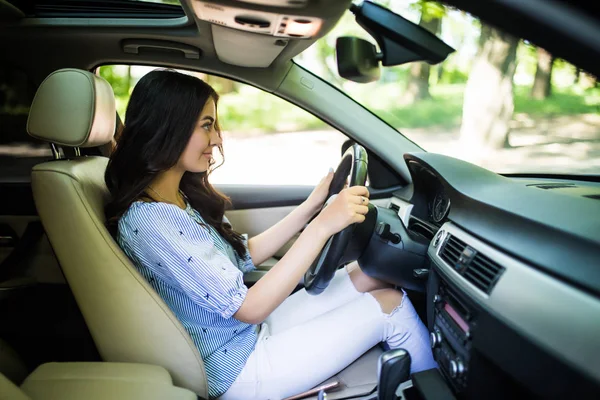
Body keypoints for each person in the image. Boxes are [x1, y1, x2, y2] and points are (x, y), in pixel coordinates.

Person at [105, 69, 436, 400]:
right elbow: (249, 307)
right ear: (169, 126)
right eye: (207, 125)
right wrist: (322, 227)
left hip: (242, 335)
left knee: (368, 274)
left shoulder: (174, 199)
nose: (218, 139)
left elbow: (239, 256)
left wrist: (310, 209)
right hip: (237, 367)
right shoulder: (151, 221)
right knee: (388, 304)